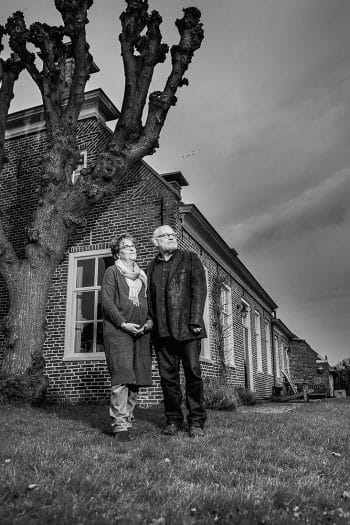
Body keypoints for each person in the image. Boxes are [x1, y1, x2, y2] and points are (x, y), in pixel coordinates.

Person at [147, 224, 207, 437]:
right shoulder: (151, 266)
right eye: (166, 235)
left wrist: (196, 319)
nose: (172, 237)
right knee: (168, 379)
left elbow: (199, 290)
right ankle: (173, 419)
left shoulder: (190, 258)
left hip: (188, 329)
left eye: (173, 235)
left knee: (193, 375)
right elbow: (150, 299)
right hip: (162, 333)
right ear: (156, 242)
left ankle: (197, 421)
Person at [102, 233, 152, 442]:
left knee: (135, 379)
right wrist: (123, 323)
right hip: (119, 332)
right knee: (122, 378)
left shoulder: (142, 275)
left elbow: (148, 303)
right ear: (117, 252)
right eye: (126, 246)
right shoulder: (112, 272)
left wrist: (149, 321)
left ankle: (128, 419)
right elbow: (107, 302)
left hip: (141, 333)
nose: (132, 248)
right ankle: (120, 426)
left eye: (133, 245)